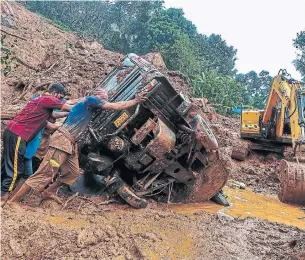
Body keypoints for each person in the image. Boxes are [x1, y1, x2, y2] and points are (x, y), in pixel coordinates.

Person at [8, 88, 147, 205]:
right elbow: (114, 106)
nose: (105, 101)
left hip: (71, 144)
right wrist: (135, 101)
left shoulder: (85, 104)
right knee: (45, 172)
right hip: (62, 141)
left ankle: (48, 192)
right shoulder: (91, 100)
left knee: (73, 173)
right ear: (97, 96)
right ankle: (14, 201)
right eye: (103, 98)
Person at [1, 83, 73, 200]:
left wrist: (68, 112)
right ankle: (4, 194)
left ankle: (3, 191)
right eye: (59, 97)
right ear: (54, 93)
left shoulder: (41, 101)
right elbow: (68, 107)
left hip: (13, 131)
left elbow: (54, 114)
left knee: (7, 164)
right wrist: (82, 107)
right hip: (19, 134)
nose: (59, 100)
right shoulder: (48, 98)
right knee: (15, 169)